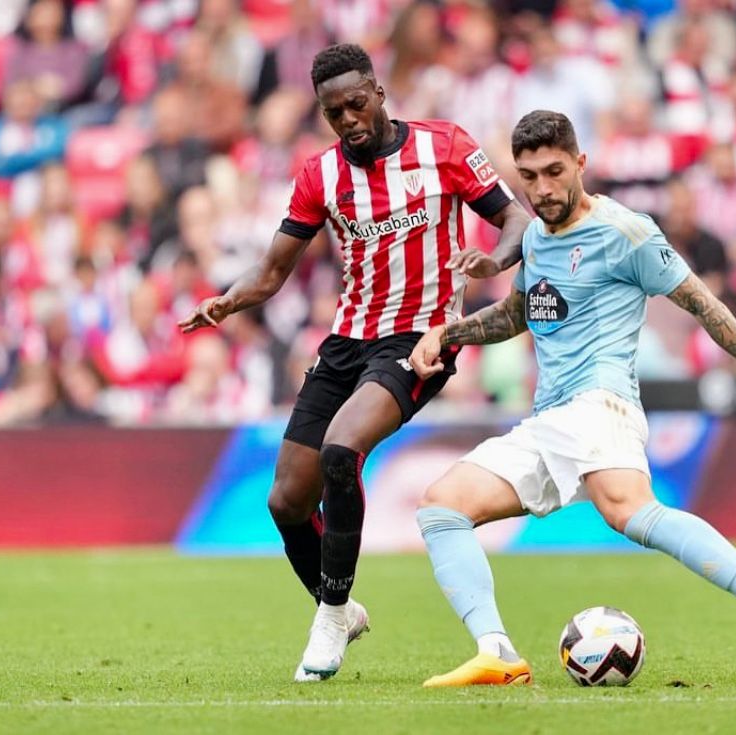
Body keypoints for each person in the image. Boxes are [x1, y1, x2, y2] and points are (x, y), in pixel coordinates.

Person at [408, 111, 736, 687]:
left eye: (554, 172)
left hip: (601, 405)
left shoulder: (627, 231)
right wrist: (446, 332)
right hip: (550, 418)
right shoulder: (534, 236)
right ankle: (498, 652)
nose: (542, 189)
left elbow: (706, 306)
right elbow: (517, 315)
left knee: (628, 510)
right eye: (529, 177)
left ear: (580, 163)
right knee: (442, 506)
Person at [178, 43, 530, 682]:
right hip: (346, 343)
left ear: (378, 92)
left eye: (356, 104)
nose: (347, 120)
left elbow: (514, 219)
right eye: (333, 112)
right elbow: (274, 269)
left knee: (343, 451)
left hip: (420, 341)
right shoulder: (320, 175)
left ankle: (328, 618)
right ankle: (341, 609)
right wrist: (227, 302)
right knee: (286, 502)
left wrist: (493, 262)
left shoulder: (444, 147)